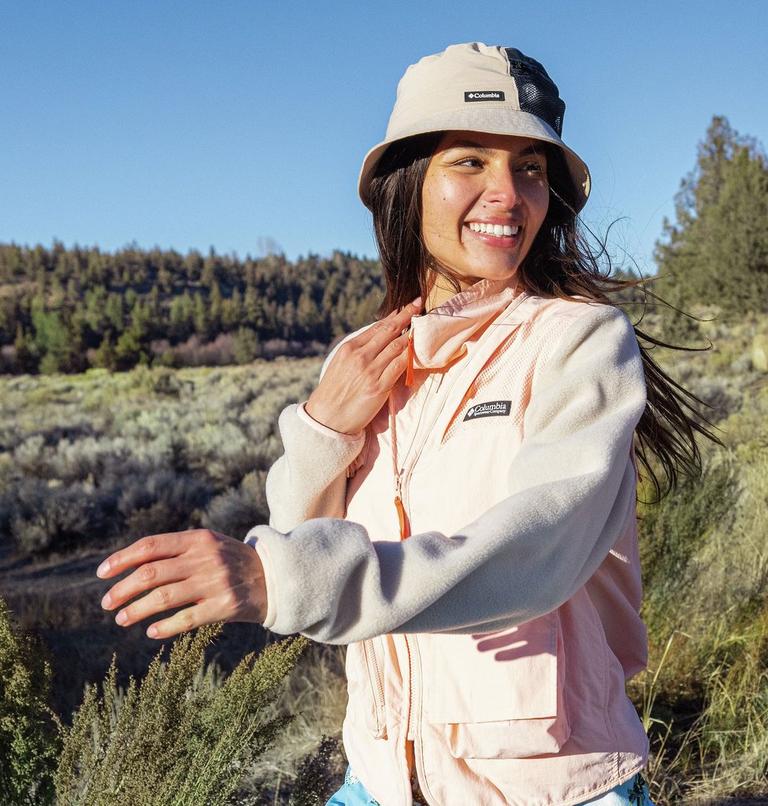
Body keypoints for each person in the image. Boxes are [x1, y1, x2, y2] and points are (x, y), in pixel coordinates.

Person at [97, 43, 718, 805]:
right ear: (407, 184)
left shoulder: (577, 340)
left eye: (529, 167)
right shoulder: (366, 359)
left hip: (548, 781)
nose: (509, 194)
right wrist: (325, 427)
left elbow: (536, 553)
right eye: (469, 162)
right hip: (384, 777)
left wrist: (271, 578)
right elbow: (304, 534)